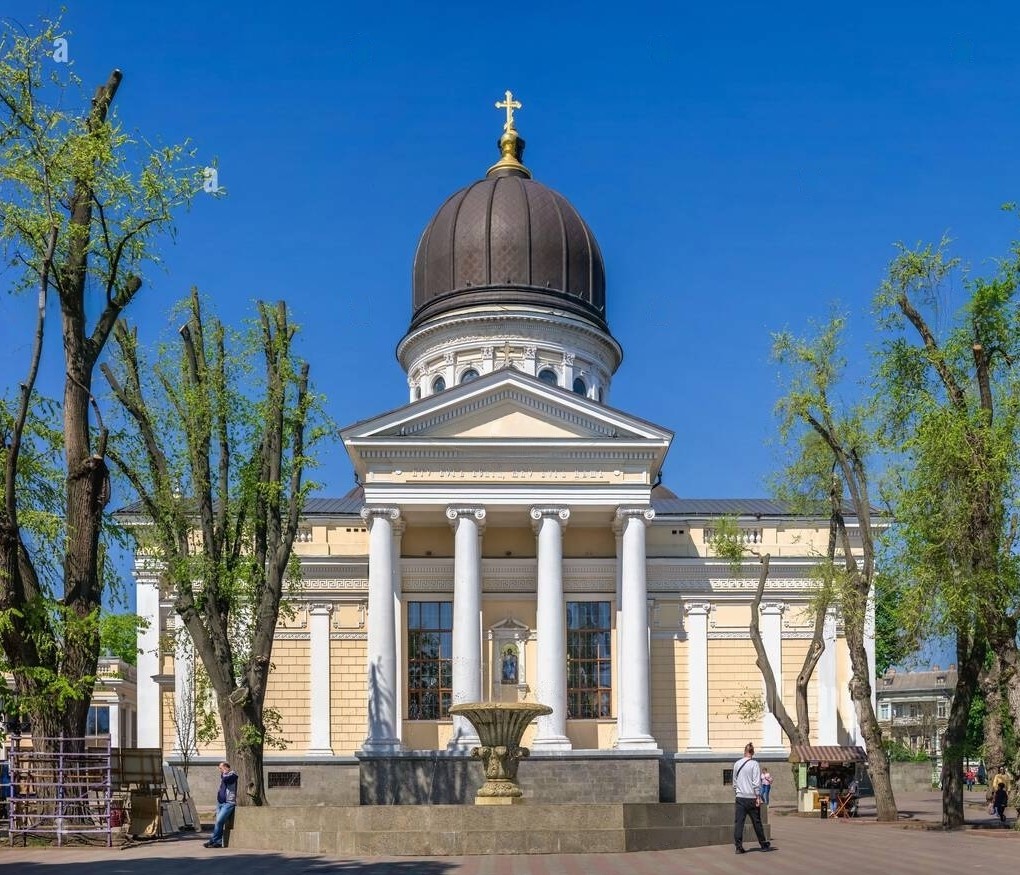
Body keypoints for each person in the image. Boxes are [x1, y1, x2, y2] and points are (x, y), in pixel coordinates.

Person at [732, 742, 772, 854]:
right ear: (752, 753)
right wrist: (758, 797)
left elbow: (734, 782)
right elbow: (756, 782)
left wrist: (737, 792)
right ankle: (763, 844)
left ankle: (738, 847)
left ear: (744, 752)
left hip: (740, 797)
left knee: (739, 822)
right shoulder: (754, 764)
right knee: (756, 822)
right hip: (751, 798)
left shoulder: (737, 764)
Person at [204, 761, 238, 848]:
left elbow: (226, 779)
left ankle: (213, 840)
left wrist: (225, 772)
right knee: (218, 822)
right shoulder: (224, 775)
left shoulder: (233, 775)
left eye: (221, 768)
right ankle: (217, 842)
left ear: (226, 767)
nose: (219, 770)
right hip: (220, 803)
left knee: (219, 821)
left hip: (228, 803)